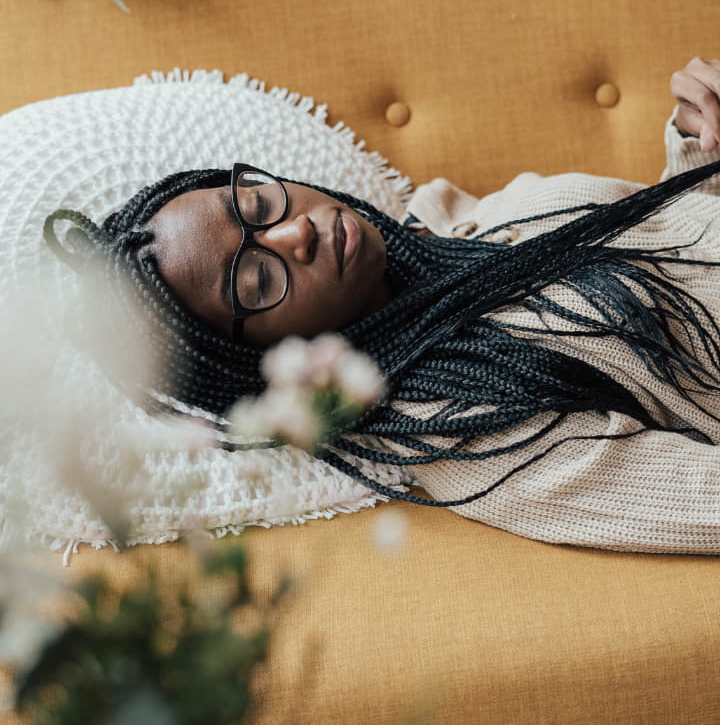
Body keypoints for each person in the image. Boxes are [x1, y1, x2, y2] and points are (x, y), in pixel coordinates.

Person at [42, 56, 720, 554]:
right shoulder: (464, 420)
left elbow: (662, 264)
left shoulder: (441, 228)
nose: (294, 231)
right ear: (265, 362)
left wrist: (698, 142)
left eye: (256, 204)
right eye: (256, 282)